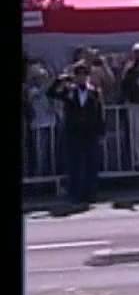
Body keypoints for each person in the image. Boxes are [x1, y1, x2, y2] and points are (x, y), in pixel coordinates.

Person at [46, 62, 106, 204]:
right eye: (78, 74)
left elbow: (99, 113)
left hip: (90, 132)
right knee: (75, 164)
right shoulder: (69, 91)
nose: (81, 77)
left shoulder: (94, 92)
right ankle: (75, 193)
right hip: (74, 132)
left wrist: (101, 132)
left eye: (84, 74)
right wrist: (61, 79)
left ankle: (90, 193)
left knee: (91, 164)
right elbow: (51, 93)